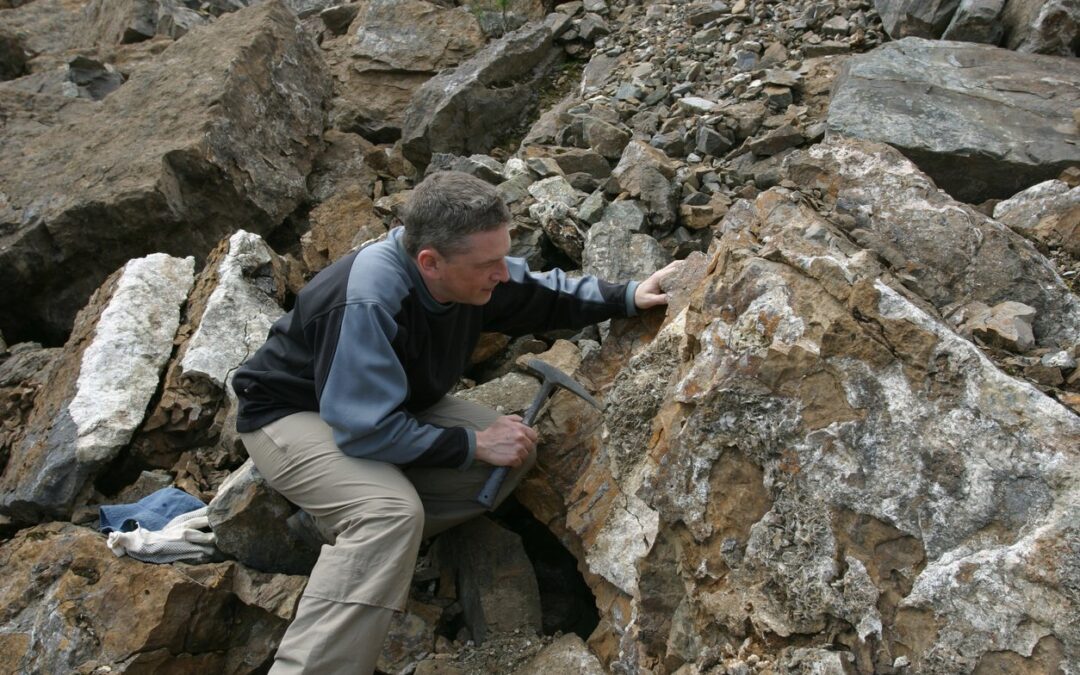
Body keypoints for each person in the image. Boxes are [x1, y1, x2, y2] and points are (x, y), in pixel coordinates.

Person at [233, 170, 679, 674]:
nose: (501, 273)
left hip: (384, 404)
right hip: (293, 414)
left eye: (502, 256)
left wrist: (626, 295)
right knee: (390, 514)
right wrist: (469, 445)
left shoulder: (468, 273)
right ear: (430, 262)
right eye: (489, 264)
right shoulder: (370, 297)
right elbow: (362, 428)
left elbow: (538, 293)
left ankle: (336, 530)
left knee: (512, 453)